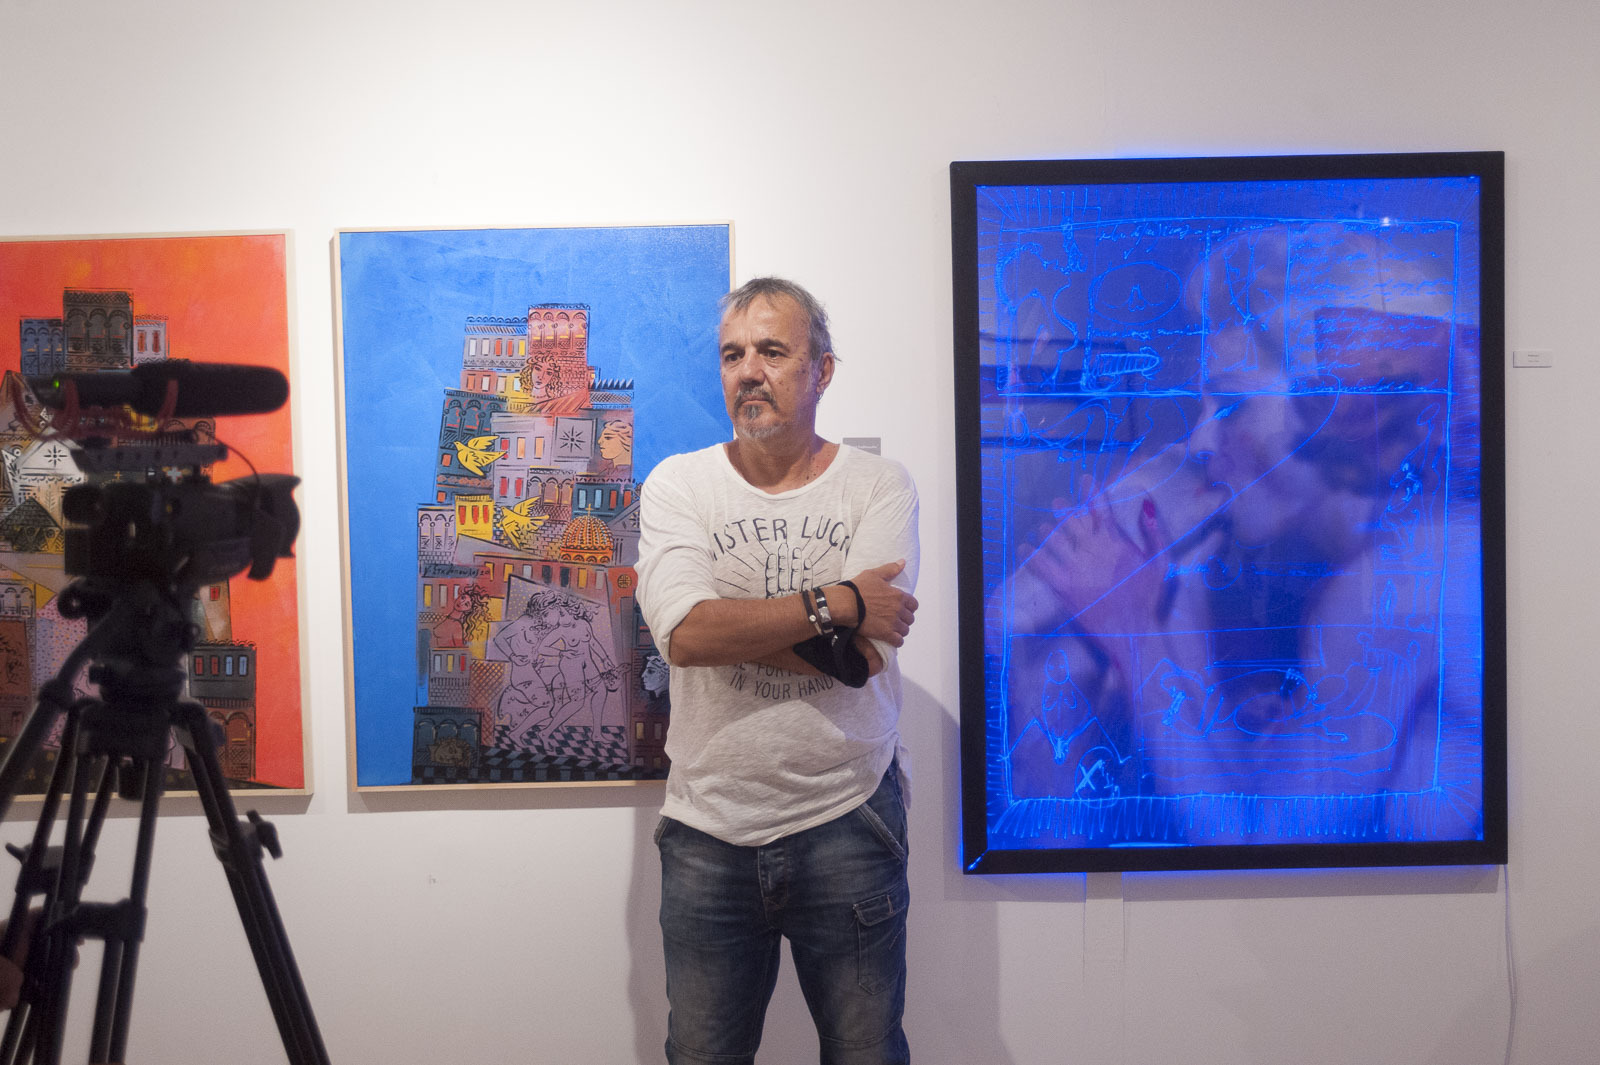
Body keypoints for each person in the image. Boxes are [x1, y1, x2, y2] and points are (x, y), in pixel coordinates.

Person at [635, 277, 920, 1065]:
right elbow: (685, 636)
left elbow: (860, 659)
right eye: (732, 355)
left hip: (848, 814)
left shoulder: (878, 486)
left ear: (821, 370)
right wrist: (838, 601)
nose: (748, 371)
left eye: (771, 351)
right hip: (708, 826)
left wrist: (723, 620)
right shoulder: (680, 483)